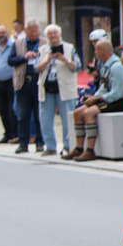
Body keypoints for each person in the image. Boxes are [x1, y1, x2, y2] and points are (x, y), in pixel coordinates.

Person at [63, 39, 123, 162]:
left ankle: (90, 150)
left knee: (88, 113)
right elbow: (103, 87)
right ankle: (79, 148)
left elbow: (116, 94)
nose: (95, 52)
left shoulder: (117, 67)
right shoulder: (106, 66)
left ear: (103, 51)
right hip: (108, 99)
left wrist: (98, 99)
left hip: (120, 101)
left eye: (97, 50)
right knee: (78, 112)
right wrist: (93, 97)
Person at [36, 24, 80, 157]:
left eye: (55, 34)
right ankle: (50, 146)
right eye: (50, 34)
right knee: (45, 119)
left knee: (68, 118)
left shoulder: (69, 48)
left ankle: (68, 146)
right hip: (47, 87)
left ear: (60, 35)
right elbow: (36, 68)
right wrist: (48, 60)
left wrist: (65, 60)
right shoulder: (43, 49)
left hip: (65, 88)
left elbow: (77, 66)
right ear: (47, 36)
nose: (53, 36)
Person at [9, 20, 47, 153]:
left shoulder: (44, 43)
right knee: (23, 114)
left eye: (36, 31)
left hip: (39, 82)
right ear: (26, 31)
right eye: (31, 31)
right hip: (23, 82)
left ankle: (40, 142)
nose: (34, 33)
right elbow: (10, 60)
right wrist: (24, 57)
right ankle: (23, 143)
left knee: (39, 114)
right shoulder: (18, 43)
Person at [0, 24, 18, 144]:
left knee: (12, 109)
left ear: (7, 33)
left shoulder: (13, 46)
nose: (1, 35)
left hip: (11, 81)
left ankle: (14, 134)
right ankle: (7, 133)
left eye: (3, 32)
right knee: (2, 110)